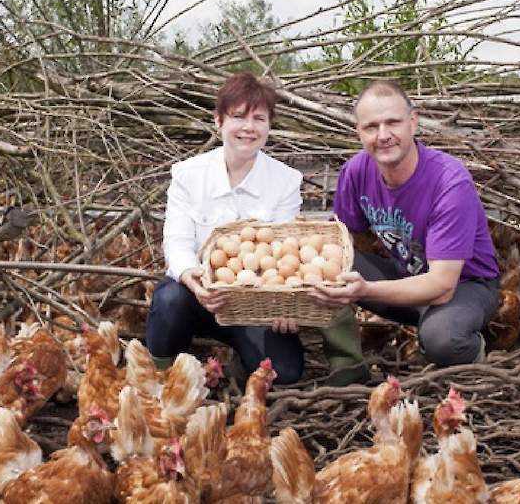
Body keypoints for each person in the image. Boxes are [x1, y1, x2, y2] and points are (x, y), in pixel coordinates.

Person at [310, 80, 500, 365]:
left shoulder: (449, 181)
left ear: (413, 122)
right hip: (406, 275)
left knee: (442, 338)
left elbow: (442, 285)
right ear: (359, 132)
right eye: (371, 127)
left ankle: (471, 351)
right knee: (326, 268)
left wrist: (367, 290)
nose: (383, 135)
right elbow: (339, 237)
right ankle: (346, 368)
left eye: (393, 123)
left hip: (465, 286)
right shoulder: (356, 171)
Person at [146, 72, 306, 385]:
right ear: (218, 120)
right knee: (169, 301)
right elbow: (177, 244)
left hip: (254, 305)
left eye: (259, 118)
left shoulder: (285, 181)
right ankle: (162, 377)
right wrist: (194, 279)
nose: (249, 127)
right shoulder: (188, 175)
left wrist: (288, 301)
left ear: (269, 126)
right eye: (238, 117)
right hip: (196, 296)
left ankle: (234, 362)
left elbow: (286, 254)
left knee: (285, 372)